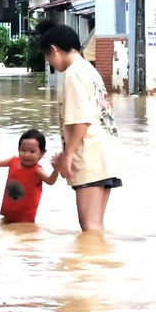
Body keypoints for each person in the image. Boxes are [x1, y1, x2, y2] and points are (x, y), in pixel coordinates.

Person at [37, 19, 122, 232]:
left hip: (89, 155)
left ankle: (90, 264)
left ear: (54, 50)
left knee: (89, 226)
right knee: (96, 224)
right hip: (106, 153)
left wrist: (69, 155)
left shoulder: (73, 73)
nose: (50, 62)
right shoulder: (88, 69)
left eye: (47, 56)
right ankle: (98, 263)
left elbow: (81, 120)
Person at [0, 129, 59, 223]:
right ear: (18, 150)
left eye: (32, 152)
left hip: (26, 220)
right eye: (23, 150)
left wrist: (57, 169)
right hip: (7, 216)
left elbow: (50, 181)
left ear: (41, 154)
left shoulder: (37, 170)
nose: (27, 155)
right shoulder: (12, 161)